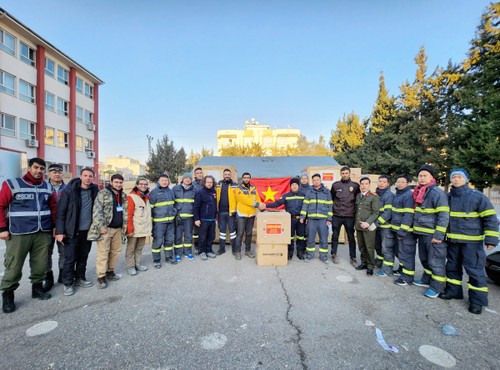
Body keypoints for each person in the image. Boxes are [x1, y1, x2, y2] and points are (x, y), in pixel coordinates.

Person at [440, 169, 498, 314]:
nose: (456, 180)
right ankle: (454, 291)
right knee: (452, 267)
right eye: (453, 177)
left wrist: (491, 239)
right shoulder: (448, 197)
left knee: (475, 271)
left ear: (466, 179)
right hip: (453, 241)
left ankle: (477, 302)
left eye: (459, 177)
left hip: (472, 243)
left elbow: (490, 218)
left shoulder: (478, 197)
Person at [1, 157, 55, 313]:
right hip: (19, 232)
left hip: (42, 232)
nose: (39, 171)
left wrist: (55, 227)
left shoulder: (47, 187)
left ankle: (37, 288)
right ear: (29, 168)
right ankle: (8, 295)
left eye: (41, 169)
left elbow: (53, 208)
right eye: (36, 167)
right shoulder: (12, 184)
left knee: (40, 263)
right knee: (14, 265)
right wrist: (2, 228)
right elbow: (0, 205)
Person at [55, 168, 99, 296]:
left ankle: (80, 278)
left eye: (90, 176)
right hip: (72, 231)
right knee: (70, 258)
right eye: (85, 175)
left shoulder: (94, 190)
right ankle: (68, 283)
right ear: (80, 176)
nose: (87, 178)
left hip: (87, 231)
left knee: (83, 256)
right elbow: (61, 213)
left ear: (93, 178)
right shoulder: (69, 191)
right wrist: (60, 231)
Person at [412, 164, 449, 299]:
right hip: (422, 233)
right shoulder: (420, 191)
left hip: (433, 235)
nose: (422, 178)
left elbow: (443, 216)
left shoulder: (436, 193)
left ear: (431, 177)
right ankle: (426, 279)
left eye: (424, 176)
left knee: (436, 261)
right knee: (424, 259)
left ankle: (437, 287)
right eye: (420, 176)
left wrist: (438, 235)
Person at [88, 174, 128, 289]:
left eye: (120, 182)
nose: (118, 184)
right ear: (111, 182)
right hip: (106, 229)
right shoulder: (103, 193)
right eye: (116, 182)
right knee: (103, 253)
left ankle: (110, 271)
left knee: (116, 251)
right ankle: (101, 276)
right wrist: (101, 226)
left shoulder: (123, 195)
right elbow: (97, 211)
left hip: (119, 229)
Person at [379, 175, 415, 282]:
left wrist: (402, 231)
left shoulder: (408, 196)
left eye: (402, 182)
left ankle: (407, 278)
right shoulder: (398, 195)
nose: (399, 184)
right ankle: (400, 270)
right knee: (398, 251)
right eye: (398, 182)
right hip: (395, 229)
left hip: (404, 231)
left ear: (407, 183)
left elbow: (408, 215)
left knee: (405, 254)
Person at [265, 177, 307, 260]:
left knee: (301, 236)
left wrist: (307, 217)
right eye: (293, 185)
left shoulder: (304, 195)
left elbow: (307, 207)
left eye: (296, 185)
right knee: (290, 236)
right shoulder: (286, 196)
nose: (294, 186)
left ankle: (300, 252)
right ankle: (290, 252)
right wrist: (266, 205)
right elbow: (277, 203)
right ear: (290, 186)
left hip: (301, 219)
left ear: (298, 186)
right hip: (290, 219)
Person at [43, 163, 67, 291]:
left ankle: (63, 275)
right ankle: (48, 278)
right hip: (46, 226)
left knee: (63, 252)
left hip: (63, 226)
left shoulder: (68, 188)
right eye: (53, 171)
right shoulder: (43, 187)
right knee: (46, 253)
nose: (57, 174)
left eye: (59, 171)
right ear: (48, 174)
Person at [300, 173, 333, 264]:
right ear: (312, 181)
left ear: (320, 180)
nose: (316, 181)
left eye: (317, 180)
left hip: (323, 220)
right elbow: (305, 205)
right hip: (311, 220)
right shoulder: (309, 192)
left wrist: (329, 219)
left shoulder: (326, 192)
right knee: (310, 238)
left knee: (323, 239)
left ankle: (323, 257)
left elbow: (330, 206)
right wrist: (303, 216)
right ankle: (309, 255)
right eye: (314, 180)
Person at [330, 166, 360, 265]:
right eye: (343, 173)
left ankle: (353, 257)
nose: (345, 175)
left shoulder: (355, 186)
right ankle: (333, 254)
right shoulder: (335, 185)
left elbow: (358, 200)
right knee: (335, 236)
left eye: (346, 173)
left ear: (349, 173)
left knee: (351, 238)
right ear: (340, 174)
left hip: (349, 216)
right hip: (337, 215)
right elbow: (332, 198)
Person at [234, 172, 265, 260]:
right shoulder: (238, 188)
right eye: (245, 178)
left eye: (248, 178)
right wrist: (255, 204)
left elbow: (257, 198)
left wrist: (260, 206)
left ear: (250, 179)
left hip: (251, 214)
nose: (246, 179)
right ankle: (238, 252)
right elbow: (243, 199)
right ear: (242, 178)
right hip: (242, 214)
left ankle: (248, 251)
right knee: (240, 234)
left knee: (249, 234)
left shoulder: (253, 188)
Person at [149, 174, 177, 268]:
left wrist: (174, 213)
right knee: (158, 241)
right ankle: (156, 260)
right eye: (162, 180)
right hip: (159, 223)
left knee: (169, 241)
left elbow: (174, 204)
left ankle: (168, 257)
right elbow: (151, 209)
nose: (164, 182)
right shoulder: (154, 192)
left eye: (166, 180)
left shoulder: (171, 192)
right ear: (158, 181)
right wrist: (152, 223)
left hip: (170, 222)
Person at [354, 177, 380, 275]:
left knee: (369, 247)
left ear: (369, 185)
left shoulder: (374, 197)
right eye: (362, 184)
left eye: (366, 184)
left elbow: (376, 213)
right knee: (361, 247)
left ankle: (370, 266)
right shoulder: (358, 195)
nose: (364, 186)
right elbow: (357, 211)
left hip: (368, 227)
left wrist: (368, 223)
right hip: (359, 226)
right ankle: (363, 263)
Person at [125, 177, 152, 276]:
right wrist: (130, 229)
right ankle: (130, 266)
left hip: (143, 228)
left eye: (145, 184)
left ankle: (137, 264)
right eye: (141, 184)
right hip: (134, 229)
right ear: (137, 185)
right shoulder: (131, 197)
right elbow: (129, 215)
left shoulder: (147, 197)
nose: (143, 186)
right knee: (131, 249)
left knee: (139, 248)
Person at [373, 175, 395, 272]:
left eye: (384, 182)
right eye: (379, 181)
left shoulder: (389, 195)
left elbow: (388, 213)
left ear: (388, 184)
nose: (381, 183)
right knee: (377, 246)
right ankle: (379, 262)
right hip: (376, 226)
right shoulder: (375, 194)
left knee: (386, 248)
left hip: (385, 227)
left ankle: (387, 269)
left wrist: (376, 223)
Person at [193, 175, 218, 260]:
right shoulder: (200, 193)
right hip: (203, 219)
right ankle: (202, 251)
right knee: (202, 237)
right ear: (204, 182)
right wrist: (196, 219)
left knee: (211, 236)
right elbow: (196, 207)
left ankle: (209, 250)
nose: (209, 184)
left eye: (211, 182)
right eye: (208, 182)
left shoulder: (214, 192)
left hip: (212, 219)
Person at [173, 173, 196, 261]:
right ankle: (178, 254)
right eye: (186, 178)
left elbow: (196, 204)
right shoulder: (176, 189)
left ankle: (188, 252)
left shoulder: (194, 189)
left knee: (188, 236)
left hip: (189, 217)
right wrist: (175, 212)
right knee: (178, 236)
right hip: (178, 217)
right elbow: (172, 201)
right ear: (182, 179)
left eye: (189, 178)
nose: (187, 180)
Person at [215, 169, 238, 255]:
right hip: (221, 212)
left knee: (232, 231)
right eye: (225, 174)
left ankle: (234, 249)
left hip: (231, 212)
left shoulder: (235, 185)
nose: (227, 175)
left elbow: (238, 198)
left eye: (228, 174)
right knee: (222, 232)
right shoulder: (218, 184)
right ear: (223, 175)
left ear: (230, 175)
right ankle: (222, 248)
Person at [192, 167, 203, 253]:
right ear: (195, 175)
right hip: (195, 209)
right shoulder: (192, 185)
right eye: (197, 173)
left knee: (203, 229)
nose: (199, 174)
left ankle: (203, 246)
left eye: (200, 173)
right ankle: (196, 246)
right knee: (196, 230)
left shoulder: (205, 183)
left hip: (204, 210)